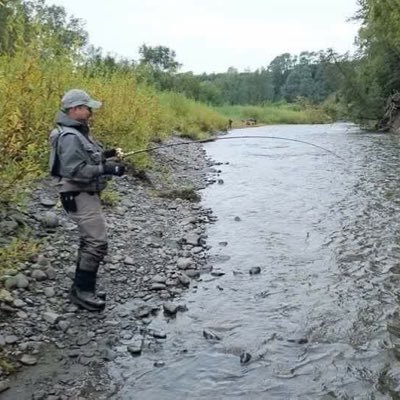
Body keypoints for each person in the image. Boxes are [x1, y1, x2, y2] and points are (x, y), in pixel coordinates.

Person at [49, 89, 125, 311]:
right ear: (74, 109)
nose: (90, 111)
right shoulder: (70, 136)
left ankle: (81, 288)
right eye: (86, 107)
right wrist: (107, 168)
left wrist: (107, 154)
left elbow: (86, 157)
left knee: (88, 241)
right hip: (79, 194)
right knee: (97, 242)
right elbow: (75, 170)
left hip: (82, 194)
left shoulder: (77, 133)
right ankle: (82, 293)